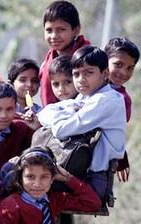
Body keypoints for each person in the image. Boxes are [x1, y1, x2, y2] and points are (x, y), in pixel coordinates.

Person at [37, 46, 126, 203]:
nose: (81, 79)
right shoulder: (87, 97)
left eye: (89, 73)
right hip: (77, 170)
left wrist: (62, 117)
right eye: (76, 74)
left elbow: (61, 130)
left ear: (105, 74)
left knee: (25, 185)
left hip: (94, 181)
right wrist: (64, 115)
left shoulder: (106, 100)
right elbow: (43, 113)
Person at [39, 1, 90, 106]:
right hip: (51, 118)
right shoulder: (48, 60)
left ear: (76, 30)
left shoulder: (88, 59)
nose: (54, 36)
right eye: (49, 30)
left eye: (61, 29)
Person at [105, 36, 141, 182]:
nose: (124, 73)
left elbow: (115, 132)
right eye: (118, 65)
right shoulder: (88, 84)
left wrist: (121, 156)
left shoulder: (123, 100)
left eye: (130, 68)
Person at [0, 82, 34, 169]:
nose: (3, 115)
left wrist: (36, 129)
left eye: (9, 109)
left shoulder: (22, 129)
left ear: (16, 108)